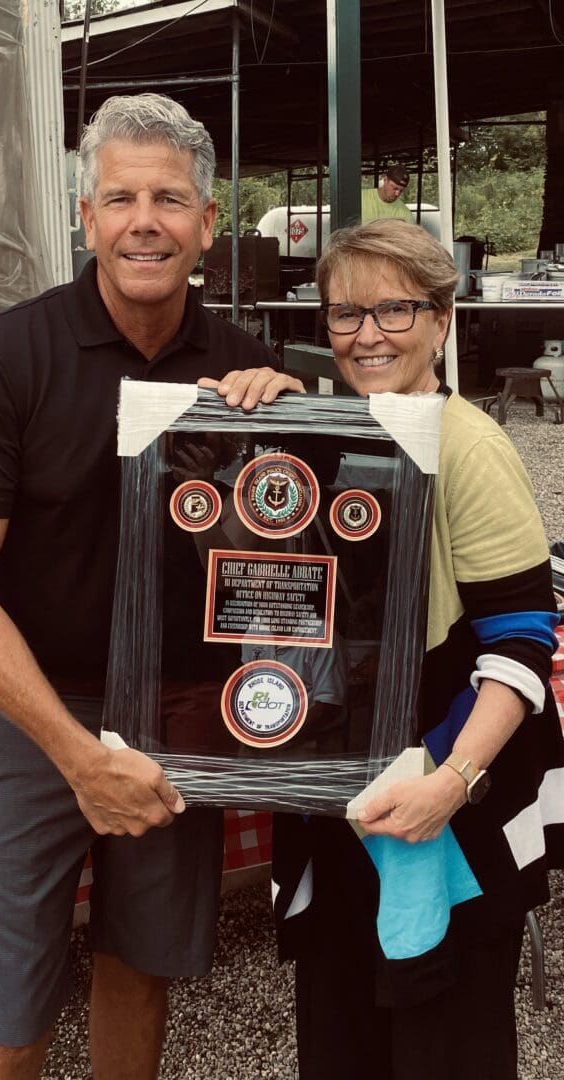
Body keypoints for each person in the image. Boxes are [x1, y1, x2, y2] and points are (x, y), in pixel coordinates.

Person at [0, 93, 297, 1079]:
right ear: (85, 216)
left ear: (207, 221)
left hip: (180, 711)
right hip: (34, 715)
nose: (144, 219)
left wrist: (294, 436)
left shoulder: (243, 363)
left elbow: (279, 564)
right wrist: (75, 755)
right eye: (119, 197)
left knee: (139, 975)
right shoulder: (3, 356)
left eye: (169, 198)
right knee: (13, 1019)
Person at [214, 218, 564, 1079]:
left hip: (449, 809)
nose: (367, 334)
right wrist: (251, 405)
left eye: (395, 310)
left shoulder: (470, 447)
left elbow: (522, 646)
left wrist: (451, 783)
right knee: (344, 1039)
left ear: (443, 319)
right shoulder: (338, 430)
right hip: (343, 791)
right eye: (344, 315)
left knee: (445, 1043)